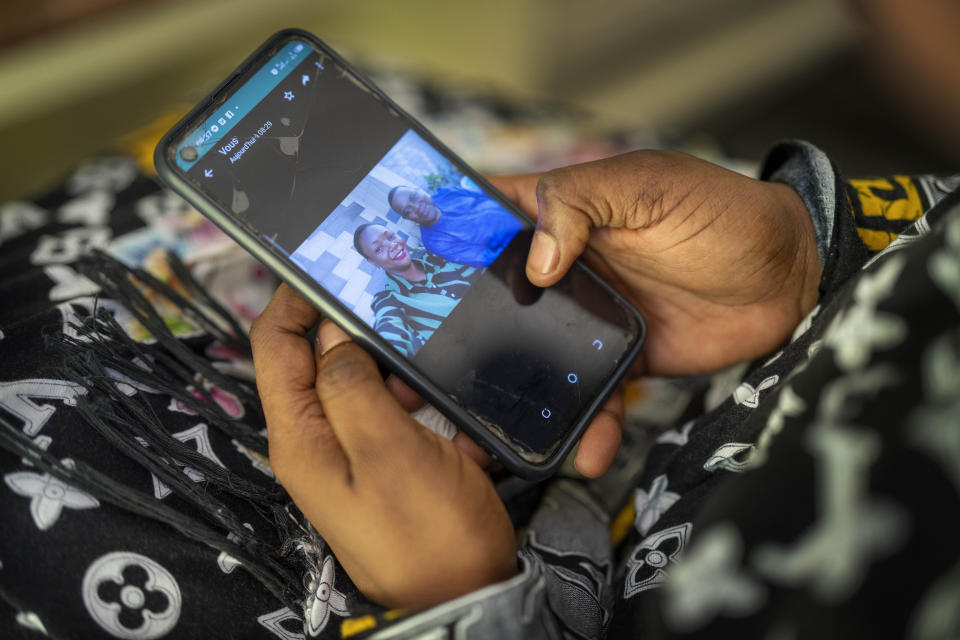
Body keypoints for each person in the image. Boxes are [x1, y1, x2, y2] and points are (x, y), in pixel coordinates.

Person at [250, 2, 960, 637]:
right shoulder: (400, 296)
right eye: (382, 234)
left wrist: (462, 602)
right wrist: (811, 251)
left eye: (391, 227)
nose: (395, 234)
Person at [352, 223, 482, 357]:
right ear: (373, 262)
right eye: (379, 249)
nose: (393, 245)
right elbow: (390, 331)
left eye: (391, 236)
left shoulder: (432, 255)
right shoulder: (390, 299)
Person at [388, 183, 523, 267]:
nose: (416, 207)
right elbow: (487, 256)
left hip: (520, 208)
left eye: (413, 197)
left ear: (420, 191)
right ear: (408, 218)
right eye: (408, 210)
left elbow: (486, 194)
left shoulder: (446, 193)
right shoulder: (435, 242)